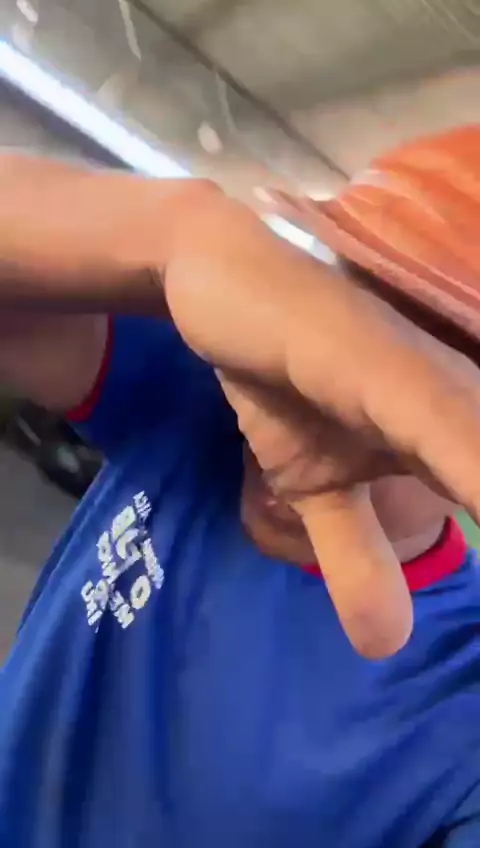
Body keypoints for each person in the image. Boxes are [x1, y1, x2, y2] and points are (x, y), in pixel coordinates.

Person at [0, 127, 478, 847]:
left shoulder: (460, 696)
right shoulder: (202, 396)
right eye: (343, 316)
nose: (320, 403)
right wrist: (172, 235)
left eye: (399, 405)